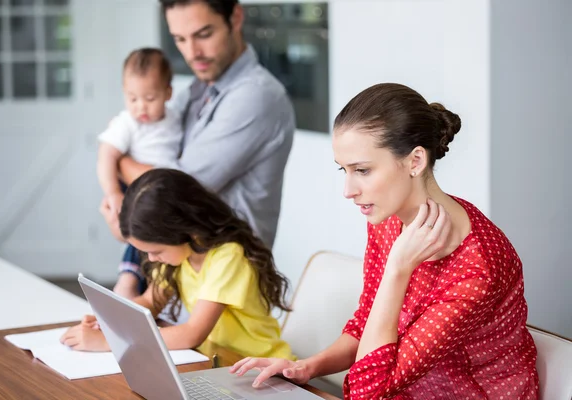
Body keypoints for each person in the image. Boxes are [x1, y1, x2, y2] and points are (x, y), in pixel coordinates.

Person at [230, 83, 539, 399]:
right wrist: (307, 367)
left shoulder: (477, 270)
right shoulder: (389, 219)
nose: (348, 189)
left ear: (415, 161)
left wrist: (397, 270)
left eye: (362, 170)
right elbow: (368, 323)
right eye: (344, 170)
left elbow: (366, 391)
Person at [101, 0, 295, 298]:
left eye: (203, 34)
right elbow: (151, 144)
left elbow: (175, 190)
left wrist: (119, 158)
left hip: (224, 286)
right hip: (178, 278)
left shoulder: (256, 95)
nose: (192, 53)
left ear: (236, 18)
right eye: (180, 39)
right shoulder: (197, 89)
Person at [62, 168, 294, 360]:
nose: (151, 259)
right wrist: (112, 324)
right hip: (218, 365)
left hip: (263, 368)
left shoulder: (228, 256)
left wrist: (110, 342)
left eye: (156, 251)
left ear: (187, 231)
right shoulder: (180, 254)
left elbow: (192, 334)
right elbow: (148, 302)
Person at [97, 48, 182, 297]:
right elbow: (106, 155)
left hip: (162, 194)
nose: (140, 107)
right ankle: (128, 277)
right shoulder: (127, 123)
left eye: (149, 98)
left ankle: (148, 287)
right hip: (133, 192)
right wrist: (113, 193)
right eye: (132, 98)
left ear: (168, 93)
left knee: (157, 243)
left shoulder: (176, 119)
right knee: (142, 233)